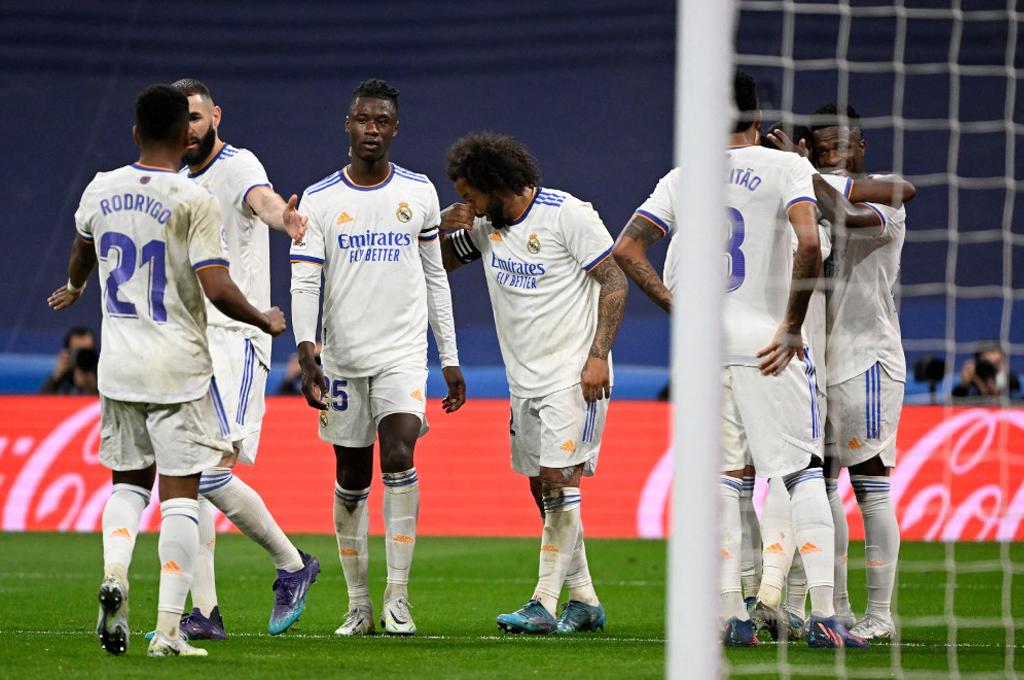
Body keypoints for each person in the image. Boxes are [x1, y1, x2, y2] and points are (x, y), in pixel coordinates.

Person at [47, 84, 286, 657]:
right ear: (186, 136)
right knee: (181, 495)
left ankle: (113, 572)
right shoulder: (191, 198)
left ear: (134, 133)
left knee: (128, 484)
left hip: (119, 367)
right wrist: (264, 317)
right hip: (178, 368)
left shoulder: (101, 188)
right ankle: (172, 631)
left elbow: (82, 250)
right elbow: (217, 285)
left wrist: (78, 286)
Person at [290, 79, 465, 637]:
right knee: (350, 475)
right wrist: (306, 353)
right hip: (341, 358)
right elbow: (303, 283)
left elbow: (436, 277)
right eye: (363, 119)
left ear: (394, 128)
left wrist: (450, 358)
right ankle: (358, 603)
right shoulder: (319, 200)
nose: (372, 129)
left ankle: (397, 600)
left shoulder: (419, 193)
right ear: (348, 124)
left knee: (399, 453)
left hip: (403, 354)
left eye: (382, 121)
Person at [439, 132, 628, 635]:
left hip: (573, 375)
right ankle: (584, 599)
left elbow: (614, 281)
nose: (468, 204)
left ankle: (543, 603)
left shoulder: (568, 215)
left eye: (470, 194)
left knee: (558, 483)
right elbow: (441, 263)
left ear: (495, 183)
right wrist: (441, 227)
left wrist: (598, 356)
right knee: (541, 488)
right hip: (522, 382)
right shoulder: (487, 224)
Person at [169, 78, 318, 640]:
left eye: (197, 117)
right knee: (191, 474)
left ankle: (292, 563)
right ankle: (205, 613)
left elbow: (266, 202)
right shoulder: (178, 181)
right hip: (193, 342)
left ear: (216, 117)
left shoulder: (239, 165)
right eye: (181, 120)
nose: (190, 128)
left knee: (208, 473)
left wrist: (288, 220)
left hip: (238, 337)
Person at [809, 102, 908, 641]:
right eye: (822, 149)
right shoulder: (804, 196)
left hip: (865, 358)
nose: (833, 155)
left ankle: (881, 615)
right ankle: (836, 608)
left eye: (841, 145)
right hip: (814, 362)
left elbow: (848, 220)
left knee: (869, 483)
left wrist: (802, 173)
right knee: (818, 485)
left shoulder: (886, 192)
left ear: (861, 147)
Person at [952, 342, 1021, 400]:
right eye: (985, 364)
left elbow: (1016, 404)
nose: (988, 369)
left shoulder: (1012, 381)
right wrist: (963, 386)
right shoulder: (972, 382)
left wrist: (995, 390)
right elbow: (952, 405)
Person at [39, 327, 95, 394]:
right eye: (78, 351)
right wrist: (56, 376)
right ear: (68, 352)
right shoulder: (63, 377)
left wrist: (92, 385)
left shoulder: (100, 374)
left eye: (87, 351)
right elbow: (41, 401)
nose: (83, 357)